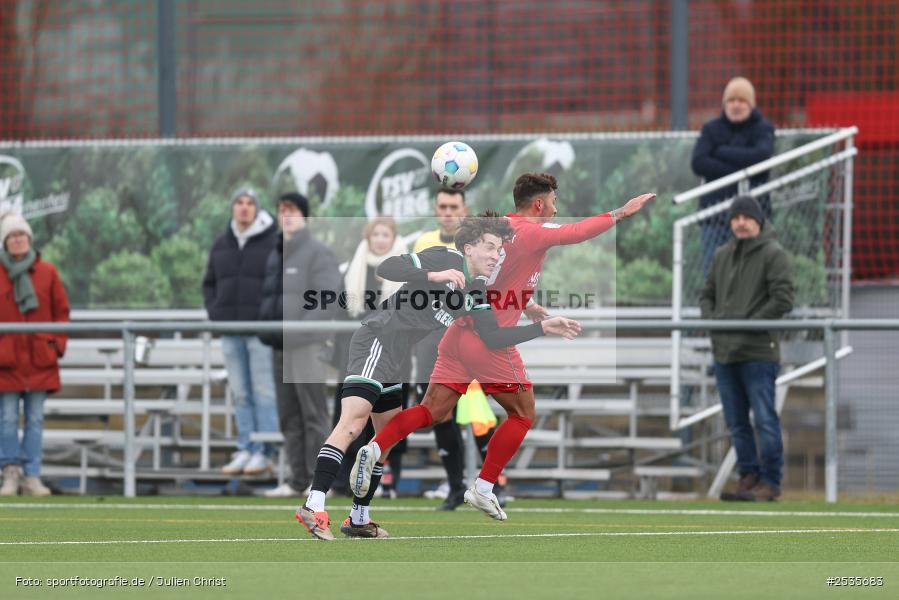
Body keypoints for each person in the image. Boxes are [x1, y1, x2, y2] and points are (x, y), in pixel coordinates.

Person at [354, 173, 655, 521]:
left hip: (457, 335)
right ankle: (483, 487)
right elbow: (578, 232)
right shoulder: (530, 230)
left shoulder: (501, 232)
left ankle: (375, 448)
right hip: (489, 341)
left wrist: (526, 304)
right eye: (554, 202)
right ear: (539, 204)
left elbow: (496, 277)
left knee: (431, 411)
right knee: (523, 413)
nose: (557, 210)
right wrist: (622, 212)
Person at [296, 212, 580, 540]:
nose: (495, 255)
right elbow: (387, 268)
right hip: (377, 339)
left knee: (384, 438)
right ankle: (313, 505)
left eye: (499, 250)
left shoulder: (475, 292)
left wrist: (542, 327)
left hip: (397, 358)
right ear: (469, 247)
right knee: (353, 423)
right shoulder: (446, 257)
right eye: (489, 247)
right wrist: (433, 274)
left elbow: (493, 338)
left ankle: (359, 518)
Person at [700, 195, 793, 502]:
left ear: (758, 220)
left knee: (765, 420)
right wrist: (715, 323)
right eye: (735, 217)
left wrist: (746, 324)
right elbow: (706, 296)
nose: (740, 222)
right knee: (737, 423)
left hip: (758, 353)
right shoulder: (722, 254)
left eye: (746, 217)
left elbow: (783, 299)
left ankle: (771, 482)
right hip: (725, 353)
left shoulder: (774, 253)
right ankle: (748, 478)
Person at [412, 188, 499, 510]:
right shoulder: (423, 243)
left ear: (465, 209)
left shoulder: (478, 245)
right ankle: (454, 487)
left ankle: (490, 486)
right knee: (439, 413)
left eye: (454, 206)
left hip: (469, 338)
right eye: (443, 206)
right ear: (436, 210)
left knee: (478, 414)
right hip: (431, 338)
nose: (448, 212)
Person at [258, 193, 342, 497]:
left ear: (305, 215)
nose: (287, 215)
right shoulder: (275, 253)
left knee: (313, 414)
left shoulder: (318, 252)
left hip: (307, 345)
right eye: (282, 210)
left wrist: (303, 328)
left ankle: (319, 481)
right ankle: (296, 480)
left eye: (292, 210)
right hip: (280, 346)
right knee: (288, 415)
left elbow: (327, 296)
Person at [202, 187, 279, 476]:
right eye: (239, 203)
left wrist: (267, 315)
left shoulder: (273, 241)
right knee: (240, 393)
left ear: (257, 209)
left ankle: (265, 450)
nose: (244, 208)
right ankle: (246, 447)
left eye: (249, 203)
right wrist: (216, 313)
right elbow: (208, 284)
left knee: (263, 392)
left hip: (260, 332)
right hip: (230, 331)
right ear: (233, 207)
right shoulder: (222, 244)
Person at [0, 212, 70, 496]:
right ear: (5, 242)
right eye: (12, 236)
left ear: (29, 239)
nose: (18, 240)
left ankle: (32, 475)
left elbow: (61, 313)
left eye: (21, 235)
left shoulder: (48, 272)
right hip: (6, 361)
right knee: (6, 418)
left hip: (40, 360)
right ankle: (10, 472)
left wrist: (54, 346)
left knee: (36, 419)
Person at [340, 216, 410, 498]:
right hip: (360, 350)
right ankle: (345, 480)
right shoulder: (353, 268)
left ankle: (390, 480)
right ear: (368, 237)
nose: (380, 239)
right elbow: (343, 308)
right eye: (376, 234)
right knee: (352, 418)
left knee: (390, 417)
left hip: (394, 350)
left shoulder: (406, 270)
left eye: (386, 234)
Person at [691, 77, 775, 274]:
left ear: (751, 104)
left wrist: (720, 151)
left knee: (753, 274)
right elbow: (699, 162)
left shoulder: (762, 129)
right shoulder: (711, 129)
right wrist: (742, 171)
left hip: (754, 217)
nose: (736, 105)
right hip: (715, 216)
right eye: (731, 100)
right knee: (714, 274)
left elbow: (761, 158)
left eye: (741, 100)